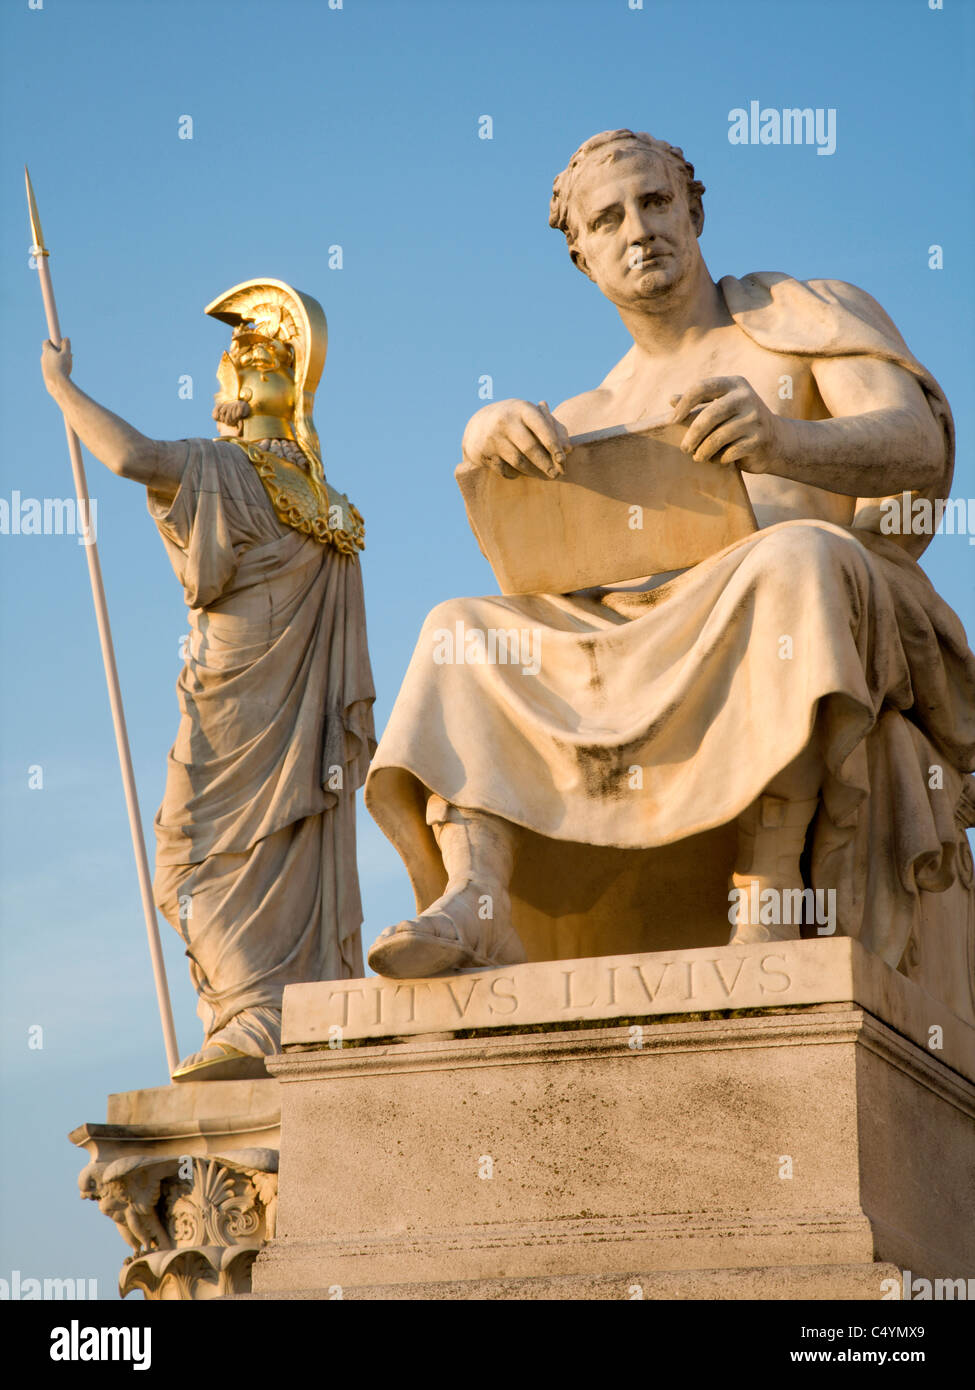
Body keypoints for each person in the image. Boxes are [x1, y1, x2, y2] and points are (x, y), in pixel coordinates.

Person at [364, 130, 975, 1016]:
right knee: (458, 626)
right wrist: (480, 440)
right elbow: (546, 573)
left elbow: (916, 441)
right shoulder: (588, 415)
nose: (638, 229)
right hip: (645, 630)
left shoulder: (795, 317)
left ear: (694, 211)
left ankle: (769, 888)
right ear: (582, 257)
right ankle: (480, 895)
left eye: (654, 203)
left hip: (819, 595)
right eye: (607, 219)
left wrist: (785, 440)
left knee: (791, 558)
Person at [42, 279, 376, 1079]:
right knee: (235, 854)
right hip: (245, 702)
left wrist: (59, 386)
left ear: (274, 387)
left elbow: (127, 457)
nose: (226, 376)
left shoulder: (227, 471)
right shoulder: (327, 507)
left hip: (236, 706)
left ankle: (257, 1015)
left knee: (188, 861)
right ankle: (262, 1009)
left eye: (242, 363)